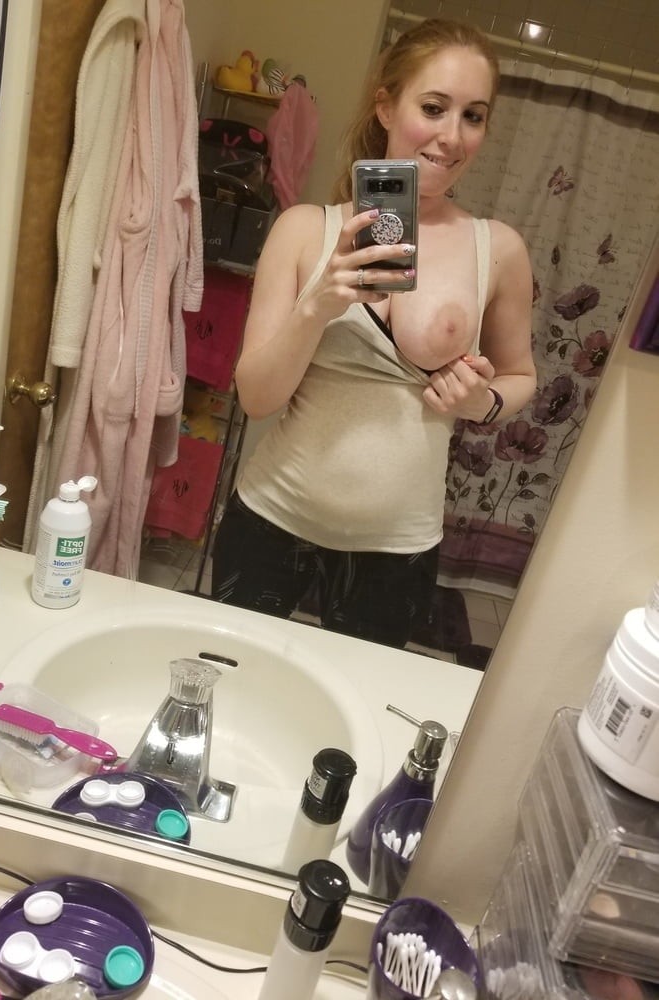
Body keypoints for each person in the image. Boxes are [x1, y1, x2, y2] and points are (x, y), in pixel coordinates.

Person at [210, 18, 536, 649]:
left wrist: (483, 401)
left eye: (473, 116)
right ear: (386, 106)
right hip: (272, 520)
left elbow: (521, 375)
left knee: (354, 710)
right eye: (434, 108)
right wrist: (317, 307)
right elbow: (256, 398)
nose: (452, 136)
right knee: (228, 679)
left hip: (398, 550)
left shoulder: (498, 249)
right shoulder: (303, 230)